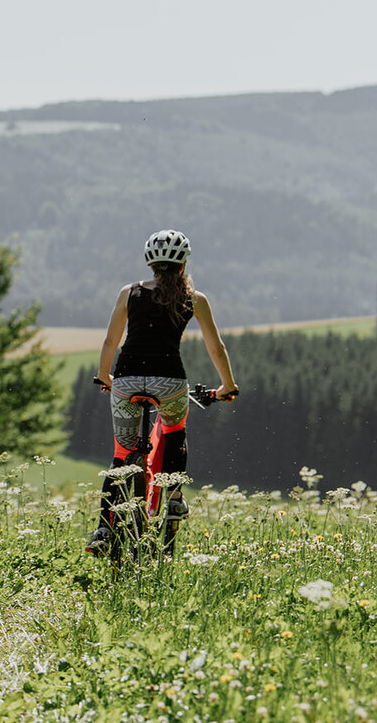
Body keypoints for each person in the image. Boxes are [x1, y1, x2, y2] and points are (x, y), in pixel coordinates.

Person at [85, 229, 238, 555]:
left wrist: (103, 375)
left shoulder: (130, 293)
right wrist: (227, 385)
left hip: (125, 381)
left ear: (150, 263)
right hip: (169, 382)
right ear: (183, 264)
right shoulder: (195, 299)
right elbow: (216, 347)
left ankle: (103, 529)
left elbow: (110, 341)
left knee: (122, 455)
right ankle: (175, 497)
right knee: (174, 430)